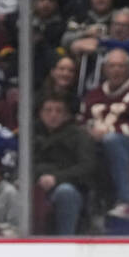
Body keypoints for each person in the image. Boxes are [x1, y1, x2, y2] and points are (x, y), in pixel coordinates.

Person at [81, 48, 129, 219]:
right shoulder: (93, 95)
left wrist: (110, 130)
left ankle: (127, 202)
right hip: (96, 149)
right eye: (112, 66)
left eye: (121, 66)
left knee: (112, 139)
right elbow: (81, 122)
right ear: (105, 69)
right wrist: (91, 131)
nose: (116, 70)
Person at [34, 95, 95, 235]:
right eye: (48, 110)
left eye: (58, 111)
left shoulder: (79, 136)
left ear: (66, 115)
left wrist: (56, 178)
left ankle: (65, 240)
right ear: (41, 113)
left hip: (70, 188)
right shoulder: (31, 134)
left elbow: (87, 167)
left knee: (65, 192)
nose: (53, 115)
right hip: (36, 187)